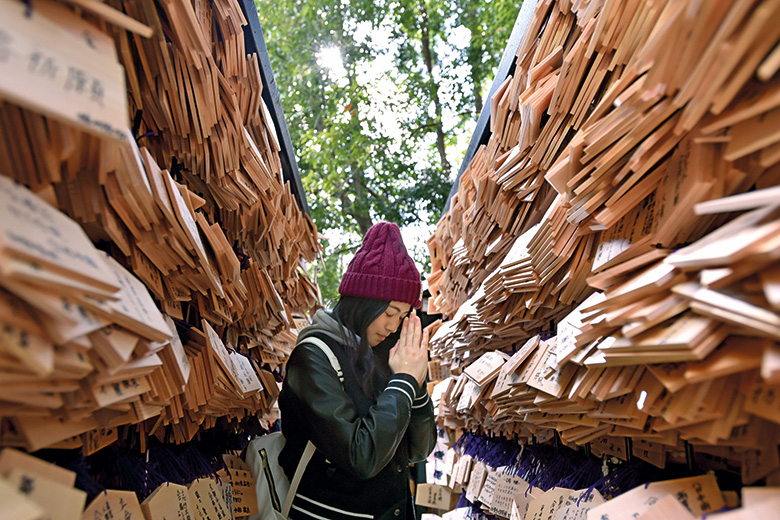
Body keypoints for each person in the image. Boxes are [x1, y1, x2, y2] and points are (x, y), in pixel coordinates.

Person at [278, 221, 436, 520]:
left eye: (402, 316)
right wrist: (402, 382)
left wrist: (415, 382)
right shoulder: (313, 355)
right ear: (362, 301)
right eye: (389, 312)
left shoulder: (386, 352)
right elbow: (361, 456)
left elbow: (418, 451)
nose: (393, 325)